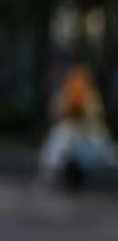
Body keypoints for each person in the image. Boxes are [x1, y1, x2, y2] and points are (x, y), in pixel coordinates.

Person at [37, 62, 117, 190]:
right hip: (70, 129)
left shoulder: (91, 96)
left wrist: (84, 108)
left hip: (88, 131)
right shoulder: (64, 93)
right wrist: (68, 106)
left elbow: (96, 115)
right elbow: (56, 113)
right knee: (57, 141)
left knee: (104, 146)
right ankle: (50, 173)